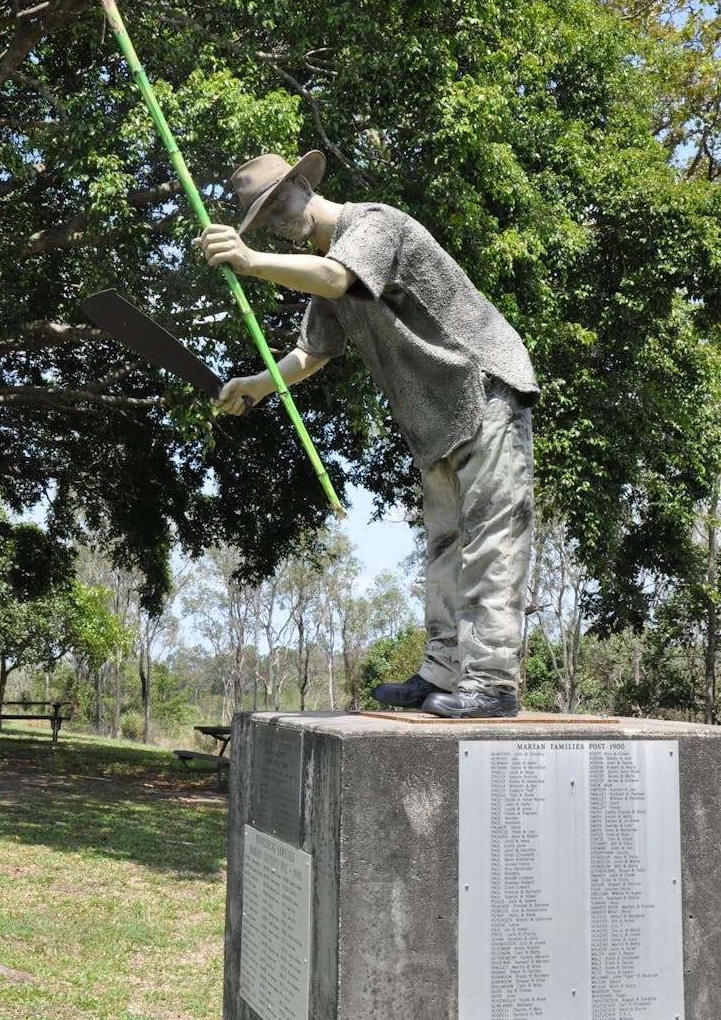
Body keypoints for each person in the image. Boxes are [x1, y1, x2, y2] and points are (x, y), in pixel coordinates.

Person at [195, 151, 539, 718]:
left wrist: (251, 260)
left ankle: (492, 681)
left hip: (484, 388)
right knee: (446, 543)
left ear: (305, 184)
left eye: (280, 202)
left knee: (491, 538)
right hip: (436, 419)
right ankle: (442, 671)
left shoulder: (374, 223)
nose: (280, 221)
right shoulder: (324, 272)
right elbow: (311, 353)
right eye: (265, 219)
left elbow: (338, 277)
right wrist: (256, 385)